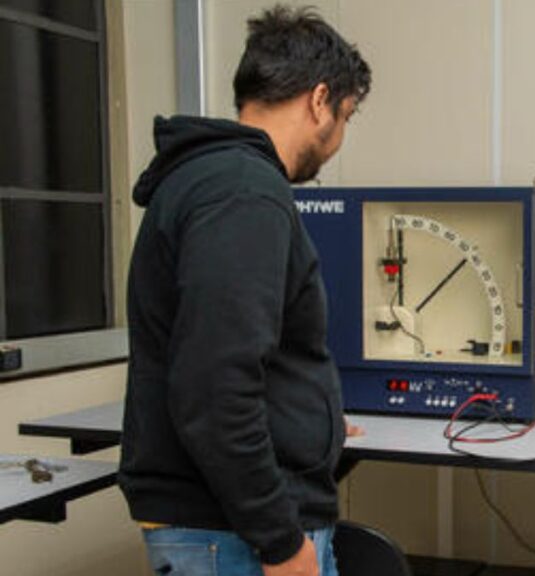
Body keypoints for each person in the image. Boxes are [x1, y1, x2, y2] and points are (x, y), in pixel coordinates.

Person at [118, 6, 370, 576]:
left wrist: (311, 413)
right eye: (345, 117)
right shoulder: (245, 193)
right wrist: (279, 541)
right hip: (235, 535)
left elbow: (226, 354)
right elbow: (214, 386)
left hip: (226, 525)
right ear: (319, 100)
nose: (338, 140)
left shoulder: (209, 179)